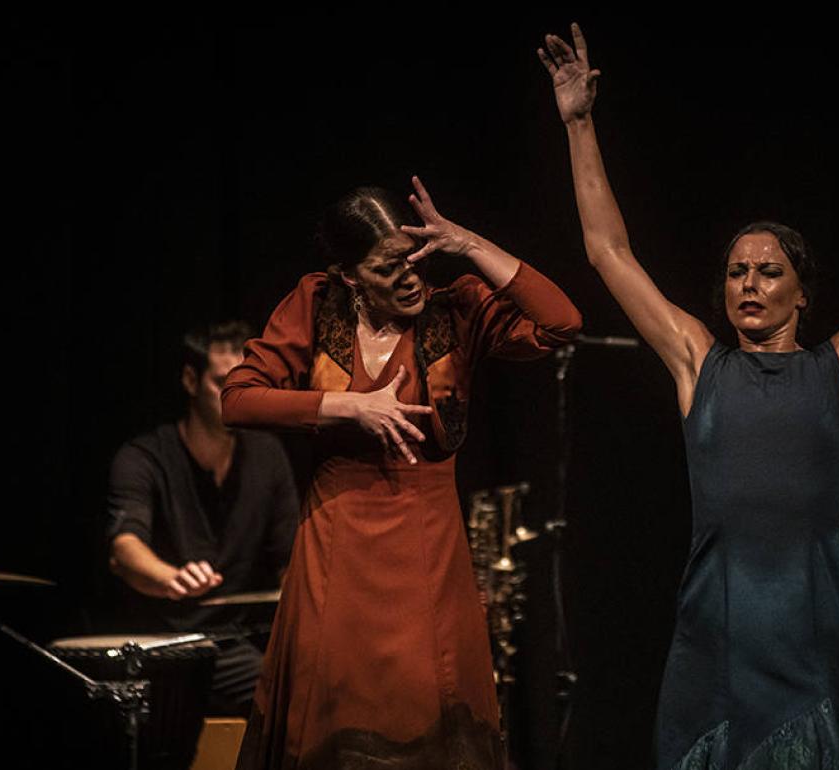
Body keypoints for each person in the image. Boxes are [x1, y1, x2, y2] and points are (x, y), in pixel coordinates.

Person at [539, 24, 839, 769]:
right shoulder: (697, 362)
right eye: (737, 272)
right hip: (717, 629)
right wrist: (578, 122)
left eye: (769, 272)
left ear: (802, 293)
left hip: (810, 626)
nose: (749, 284)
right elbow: (609, 252)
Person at [222, 177, 581, 769]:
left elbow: (561, 322)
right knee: (330, 714)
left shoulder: (457, 310)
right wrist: (346, 406)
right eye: (388, 268)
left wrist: (469, 245)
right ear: (350, 275)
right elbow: (237, 400)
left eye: (415, 260)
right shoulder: (317, 303)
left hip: (426, 548)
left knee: (428, 709)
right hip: (336, 546)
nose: (410, 277)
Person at [107, 320, 301, 716]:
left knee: (313, 687)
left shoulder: (267, 455)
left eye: (246, 385)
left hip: (231, 641)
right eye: (222, 383)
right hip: (161, 641)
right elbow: (124, 547)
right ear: (190, 380)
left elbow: (290, 561)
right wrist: (172, 578)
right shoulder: (144, 458)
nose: (236, 397)